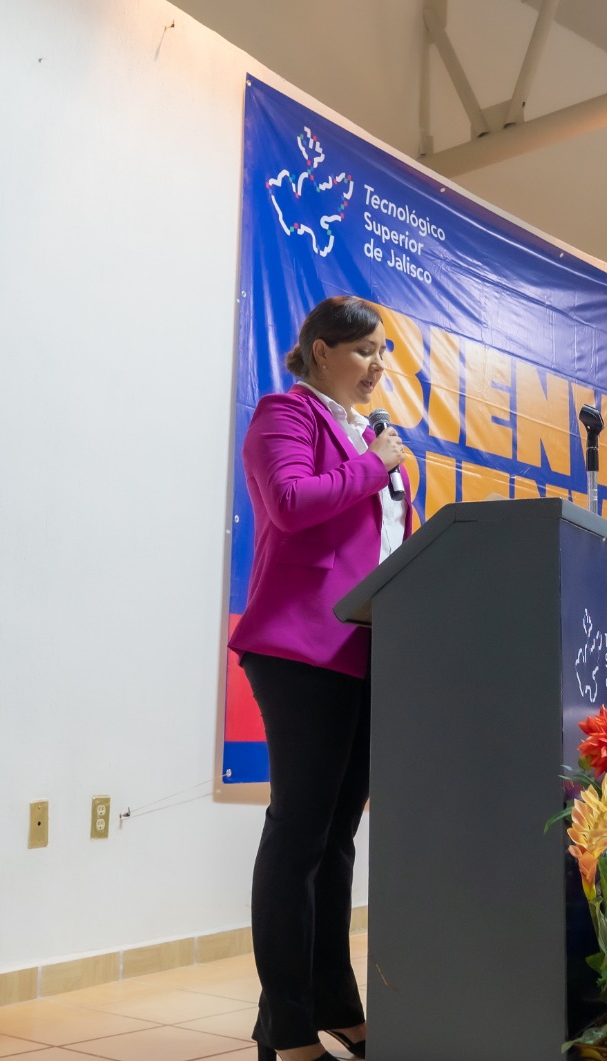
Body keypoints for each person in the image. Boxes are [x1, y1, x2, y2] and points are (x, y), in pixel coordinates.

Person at [228, 296, 411, 1061]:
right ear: (320, 349)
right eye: (364, 350)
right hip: (302, 649)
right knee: (299, 833)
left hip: (371, 652)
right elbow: (292, 503)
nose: (377, 366)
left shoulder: (368, 434)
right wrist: (378, 466)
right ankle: (289, 1025)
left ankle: (335, 1002)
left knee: (337, 841)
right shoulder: (285, 413)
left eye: (382, 353)